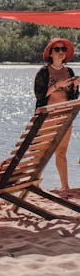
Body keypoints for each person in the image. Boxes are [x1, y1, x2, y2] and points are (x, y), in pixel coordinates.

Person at [34, 37, 80, 195]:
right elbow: (39, 96)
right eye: (57, 49)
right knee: (42, 152)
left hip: (65, 116)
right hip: (47, 117)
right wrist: (56, 86)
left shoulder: (70, 72)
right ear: (50, 54)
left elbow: (73, 98)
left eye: (63, 49)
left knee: (61, 152)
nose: (61, 52)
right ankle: (35, 185)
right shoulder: (44, 72)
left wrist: (75, 86)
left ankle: (65, 187)